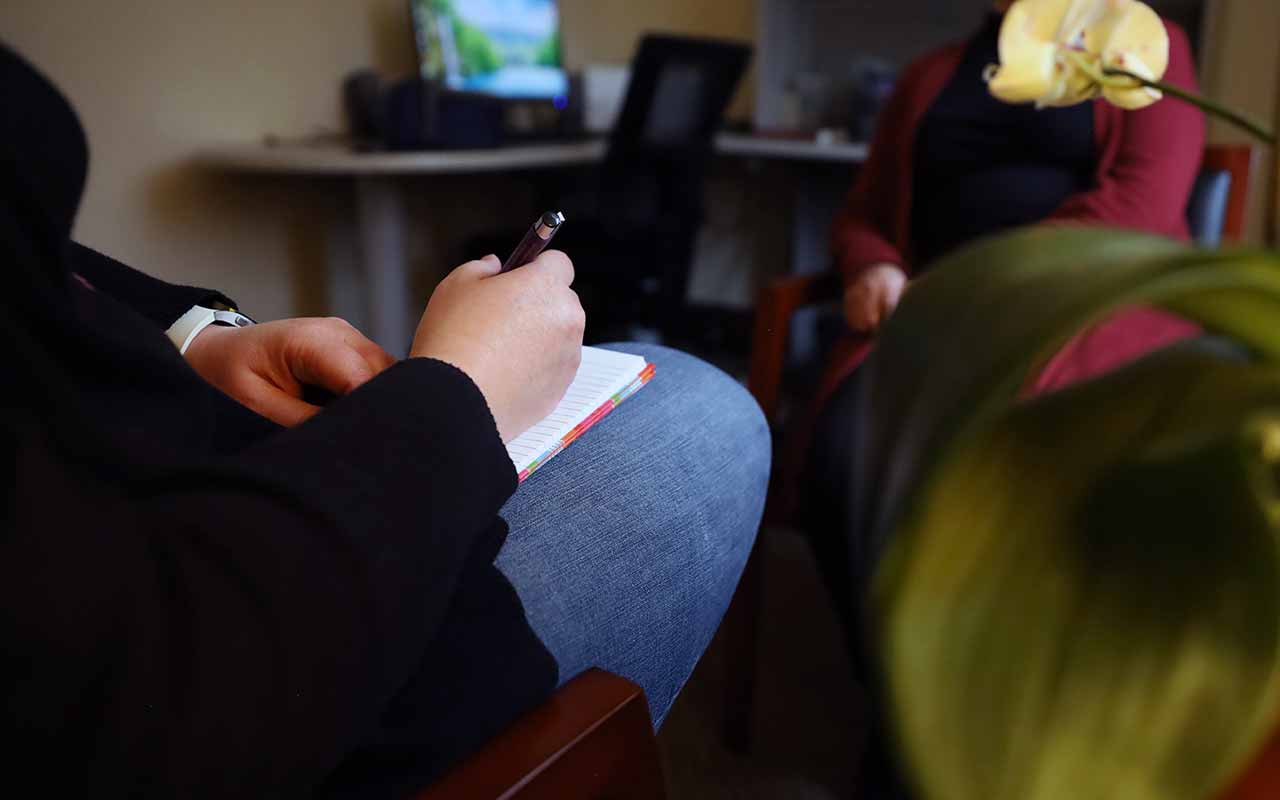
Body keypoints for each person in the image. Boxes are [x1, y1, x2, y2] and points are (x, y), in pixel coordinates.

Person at [0, 45, 770, 797]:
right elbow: (144, 694)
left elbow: (41, 276)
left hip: (256, 498)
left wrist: (192, 340)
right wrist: (459, 395)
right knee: (706, 411)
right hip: (331, 661)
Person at [803, 3, 1206, 797]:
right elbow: (865, 213)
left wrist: (980, 292)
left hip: (1081, 312)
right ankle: (910, 719)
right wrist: (872, 268)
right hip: (925, 322)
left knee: (1007, 456)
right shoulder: (929, 73)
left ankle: (983, 733)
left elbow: (1144, 206)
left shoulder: (1145, 44)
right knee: (846, 453)